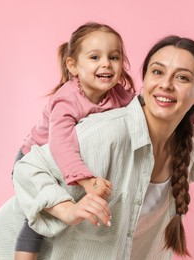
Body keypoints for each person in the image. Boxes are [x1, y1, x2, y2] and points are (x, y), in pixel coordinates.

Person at [0, 35, 194, 260]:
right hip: (10, 252)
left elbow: (184, 175)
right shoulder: (107, 133)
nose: (166, 84)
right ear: (144, 80)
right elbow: (27, 168)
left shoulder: (185, 142)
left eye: (182, 77)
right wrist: (68, 209)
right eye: (157, 72)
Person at [14, 22, 136, 260]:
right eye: (94, 57)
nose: (106, 64)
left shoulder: (118, 94)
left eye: (114, 57)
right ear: (73, 66)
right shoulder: (67, 100)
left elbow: (146, 111)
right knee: (38, 219)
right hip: (35, 162)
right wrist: (86, 179)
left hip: (69, 165)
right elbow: (61, 144)